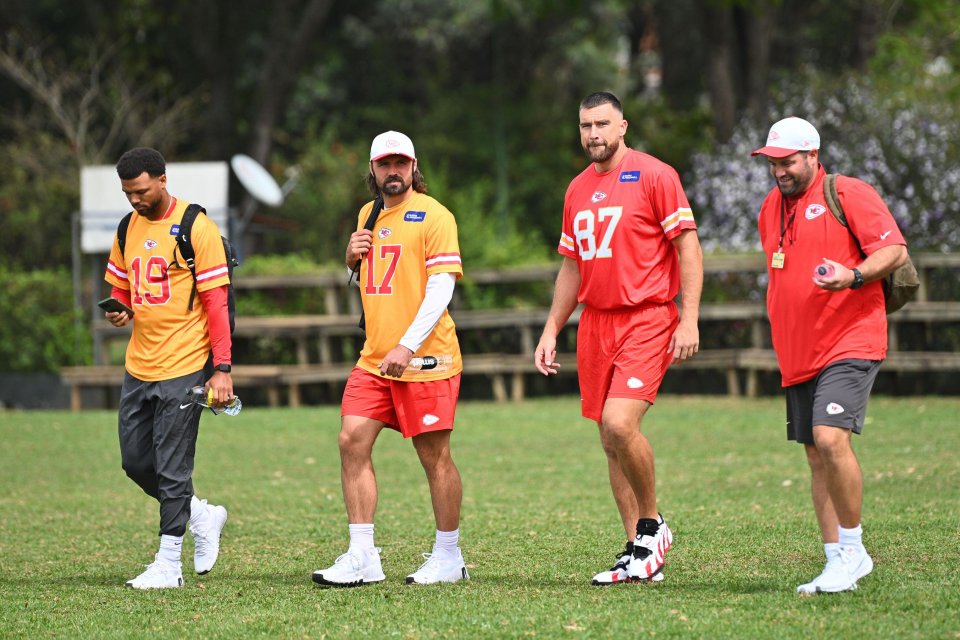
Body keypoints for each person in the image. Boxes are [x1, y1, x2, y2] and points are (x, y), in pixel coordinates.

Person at [534, 92, 703, 585]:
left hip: (647, 317)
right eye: (586, 125)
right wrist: (551, 329)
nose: (593, 134)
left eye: (602, 124)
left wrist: (689, 319)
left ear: (623, 126)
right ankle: (638, 552)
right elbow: (572, 266)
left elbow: (688, 248)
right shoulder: (576, 189)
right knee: (609, 440)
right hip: (596, 324)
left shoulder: (655, 175)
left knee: (620, 422)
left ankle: (653, 526)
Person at [751, 117, 908, 594]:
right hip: (798, 351)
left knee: (829, 437)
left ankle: (854, 550)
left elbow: (895, 251)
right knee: (816, 454)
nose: (779, 171)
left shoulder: (848, 193)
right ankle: (836, 560)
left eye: (788, 162)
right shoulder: (770, 207)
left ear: (812, 156)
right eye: (773, 163)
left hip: (851, 339)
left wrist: (853, 276)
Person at [312, 131, 469, 587]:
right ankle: (363, 555)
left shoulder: (436, 215)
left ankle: (449, 555)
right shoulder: (369, 213)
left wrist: (408, 344)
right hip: (375, 359)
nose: (393, 171)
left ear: (414, 166)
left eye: (401, 163)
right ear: (373, 169)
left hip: (426, 359)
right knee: (351, 440)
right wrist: (350, 259)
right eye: (385, 164)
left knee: (434, 456)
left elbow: (441, 288)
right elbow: (373, 278)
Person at [103, 147, 232, 589]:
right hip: (139, 365)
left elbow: (217, 303)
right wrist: (119, 309)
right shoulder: (127, 227)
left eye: (141, 191)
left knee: (174, 466)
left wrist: (222, 368)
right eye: (128, 193)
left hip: (185, 364)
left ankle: (169, 564)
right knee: (136, 462)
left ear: (162, 179)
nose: (135, 199)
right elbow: (121, 287)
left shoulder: (197, 227)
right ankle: (201, 514)